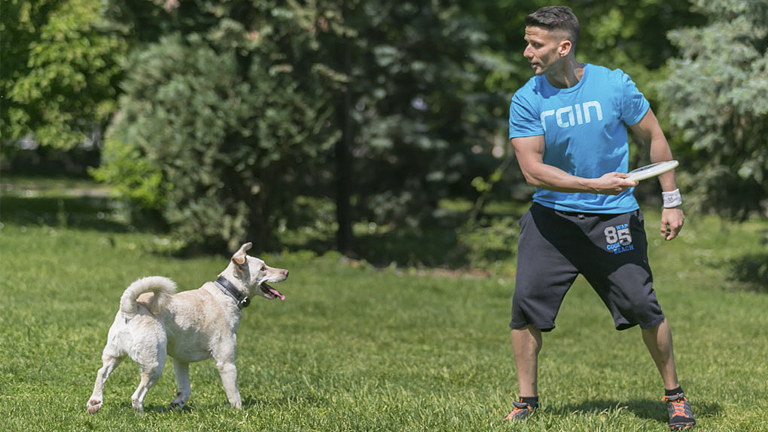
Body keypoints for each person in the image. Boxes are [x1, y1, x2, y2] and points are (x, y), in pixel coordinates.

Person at [504, 6, 695, 431]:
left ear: (563, 47)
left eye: (535, 44)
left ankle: (675, 397)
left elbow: (655, 136)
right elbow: (533, 170)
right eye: (527, 41)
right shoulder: (527, 98)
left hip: (614, 218)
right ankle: (526, 402)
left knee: (645, 307)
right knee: (525, 309)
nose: (526, 52)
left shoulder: (613, 84)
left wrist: (672, 199)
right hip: (551, 220)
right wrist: (593, 185)